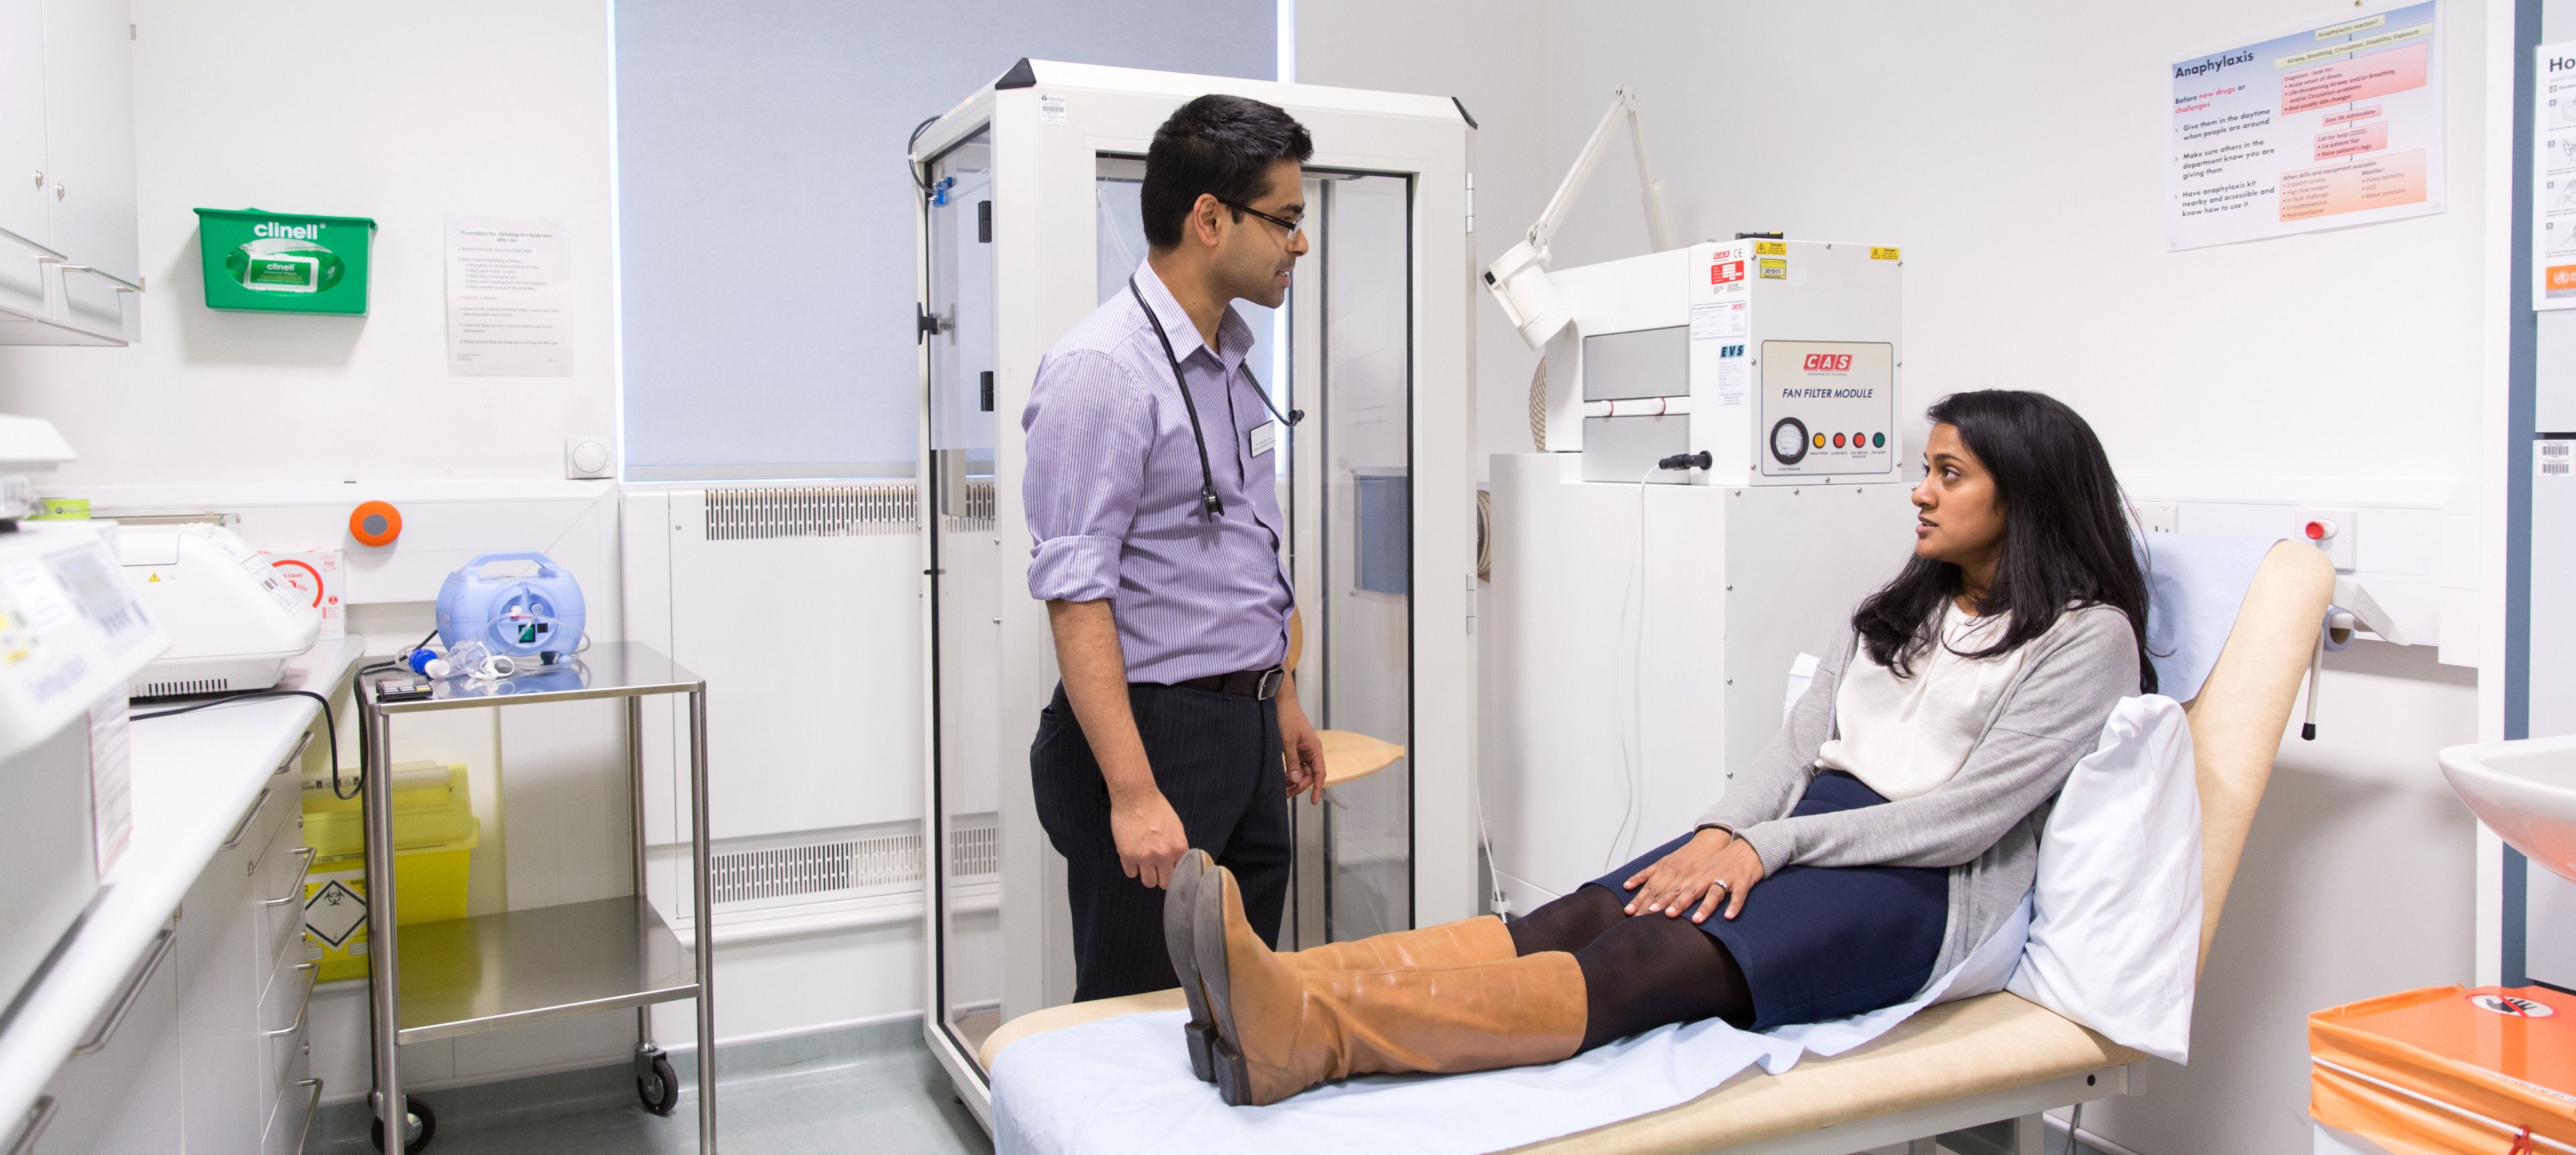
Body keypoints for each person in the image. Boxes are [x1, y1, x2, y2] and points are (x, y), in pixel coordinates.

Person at [1166, 389, 2158, 1106]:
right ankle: (1287, 987)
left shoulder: (2087, 639)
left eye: (1948, 474)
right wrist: (1726, 826)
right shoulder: (1906, 605)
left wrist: (1763, 849)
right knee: (1585, 909)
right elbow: (1799, 747)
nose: (1920, 493)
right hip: (1801, 834)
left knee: (1649, 953)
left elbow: (1968, 818)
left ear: (2023, 495)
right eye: (1925, 469)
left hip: (1918, 885)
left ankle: (1312, 1037)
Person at [1021, 94, 1328, 1006]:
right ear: (1208, 219)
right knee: (1134, 1025)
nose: (1298, 245)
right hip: (1153, 735)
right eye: (1285, 220)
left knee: (1239, 1011)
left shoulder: (1232, 360)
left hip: (1244, 731)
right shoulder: (1102, 371)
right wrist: (1133, 792)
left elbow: (1245, 550)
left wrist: (1280, 695)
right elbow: (1076, 596)